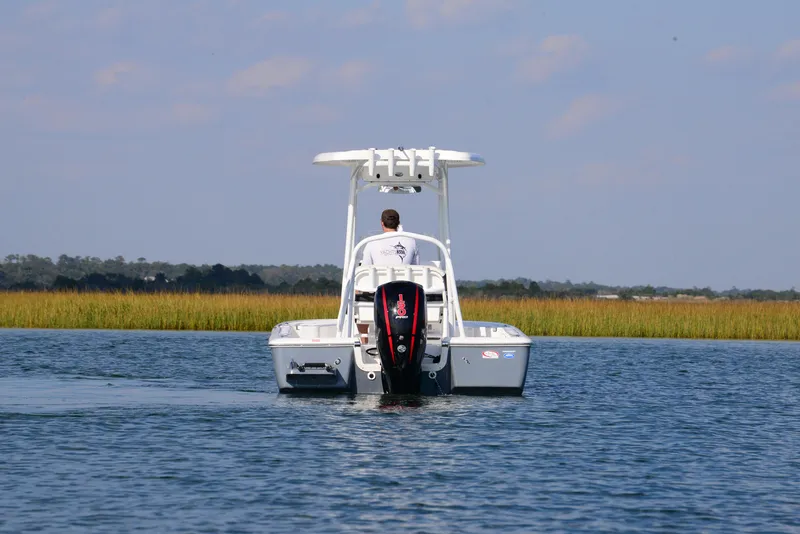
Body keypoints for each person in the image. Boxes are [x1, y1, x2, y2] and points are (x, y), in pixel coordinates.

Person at [357, 209, 419, 345]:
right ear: (398, 223)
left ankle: (364, 339)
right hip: (406, 295)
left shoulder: (371, 243)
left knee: (358, 291)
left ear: (382, 223)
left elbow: (364, 272)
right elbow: (416, 267)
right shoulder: (411, 242)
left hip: (378, 295)